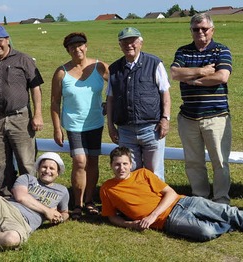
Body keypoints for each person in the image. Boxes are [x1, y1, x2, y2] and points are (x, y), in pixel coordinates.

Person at [100, 147, 243, 242]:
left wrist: (152, 216)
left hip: (185, 203)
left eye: (125, 164)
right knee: (206, 233)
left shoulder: (143, 173)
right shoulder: (107, 189)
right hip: (171, 220)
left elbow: (170, 194)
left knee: (231, 212)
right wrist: (132, 225)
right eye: (117, 165)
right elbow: (111, 217)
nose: (121, 168)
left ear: (131, 164)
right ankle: (238, 223)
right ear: (111, 166)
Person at [170, 14, 233, 204]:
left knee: (220, 161)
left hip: (216, 117)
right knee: (193, 162)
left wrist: (192, 80)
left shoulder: (221, 50)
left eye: (204, 29)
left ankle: (221, 198)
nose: (200, 33)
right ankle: (200, 197)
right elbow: (174, 73)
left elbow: (222, 76)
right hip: (188, 118)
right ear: (191, 31)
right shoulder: (183, 51)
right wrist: (202, 71)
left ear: (212, 30)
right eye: (196, 29)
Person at [0, 25, 44, 198]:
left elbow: (36, 88)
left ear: (7, 40)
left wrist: (37, 114)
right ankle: (6, 196)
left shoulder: (24, 59)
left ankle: (30, 197)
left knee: (25, 160)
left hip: (20, 117)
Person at [51, 32, 109, 219]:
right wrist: (57, 127)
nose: (77, 49)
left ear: (86, 46)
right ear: (68, 51)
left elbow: (118, 83)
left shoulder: (99, 66)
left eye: (80, 45)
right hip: (74, 125)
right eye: (72, 47)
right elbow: (54, 102)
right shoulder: (61, 72)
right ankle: (77, 203)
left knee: (92, 160)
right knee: (80, 161)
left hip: (95, 122)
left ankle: (90, 201)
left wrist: (110, 102)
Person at [106, 27, 171, 181]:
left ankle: (156, 203)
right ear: (120, 45)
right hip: (125, 131)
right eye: (125, 42)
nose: (129, 45)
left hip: (152, 129)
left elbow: (165, 93)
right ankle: (135, 204)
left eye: (133, 41)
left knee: (154, 174)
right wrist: (110, 126)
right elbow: (110, 99)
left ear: (140, 43)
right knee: (130, 174)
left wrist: (165, 119)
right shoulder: (114, 69)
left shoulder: (154, 63)